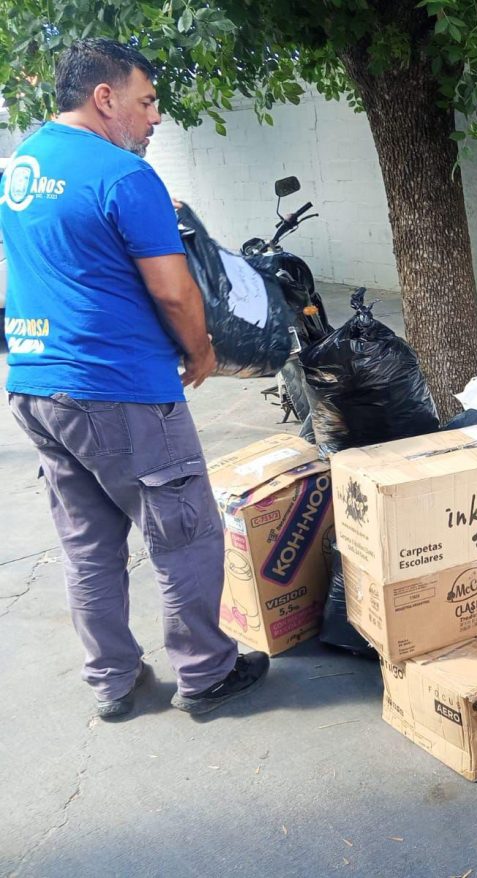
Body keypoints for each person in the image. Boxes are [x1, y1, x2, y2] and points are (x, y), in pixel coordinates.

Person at [0, 39, 267, 720]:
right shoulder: (124, 176)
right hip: (118, 387)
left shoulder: (24, 163)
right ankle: (207, 672)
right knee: (185, 531)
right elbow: (176, 293)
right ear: (105, 98)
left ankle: (114, 682)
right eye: (147, 102)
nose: (155, 119)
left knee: (88, 544)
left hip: (34, 382)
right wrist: (202, 353)